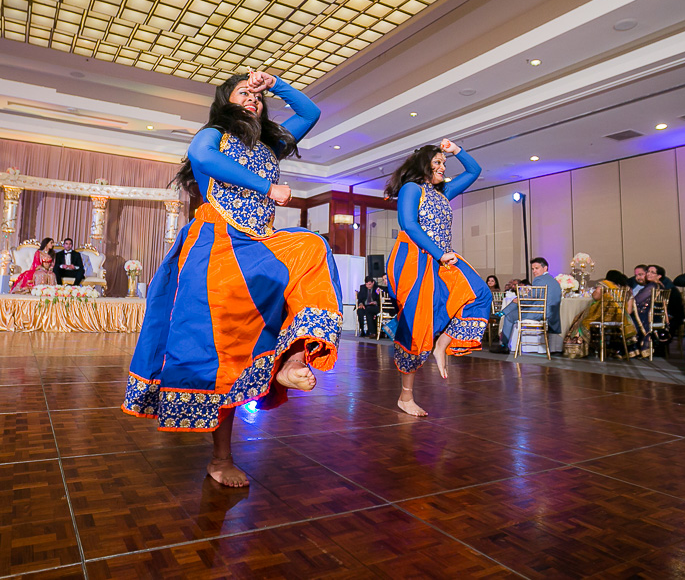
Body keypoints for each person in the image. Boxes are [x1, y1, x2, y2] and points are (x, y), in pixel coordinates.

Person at [122, 70, 342, 488]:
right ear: (225, 102)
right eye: (243, 92)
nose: (252, 98)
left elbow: (310, 111)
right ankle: (220, 458)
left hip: (260, 244)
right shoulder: (214, 133)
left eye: (256, 95)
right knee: (222, 356)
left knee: (312, 246)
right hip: (218, 247)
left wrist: (274, 83)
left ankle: (293, 359)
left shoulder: (270, 141)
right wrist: (267, 184)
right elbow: (204, 160)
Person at [384, 138, 490, 417]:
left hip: (441, 257)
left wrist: (456, 150)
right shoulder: (411, 188)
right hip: (415, 259)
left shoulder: (443, 193)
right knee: (418, 325)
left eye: (444, 163)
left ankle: (442, 344)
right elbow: (408, 224)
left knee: (480, 292)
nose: (443, 167)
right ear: (424, 165)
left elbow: (474, 170)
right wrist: (437, 253)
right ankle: (405, 397)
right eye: (438, 162)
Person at [563, 270, 636, 358]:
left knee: (581, 320)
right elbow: (629, 310)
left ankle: (579, 349)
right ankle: (615, 350)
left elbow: (596, 296)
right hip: (621, 319)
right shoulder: (627, 289)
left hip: (603, 317)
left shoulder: (604, 284)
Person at [500, 257, 562, 351]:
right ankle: (500, 313)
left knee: (509, 316)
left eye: (536, 268)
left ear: (545, 268)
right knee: (517, 303)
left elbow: (531, 297)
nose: (534, 271)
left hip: (539, 313)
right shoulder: (554, 281)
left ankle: (504, 346)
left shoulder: (538, 280)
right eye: (533, 269)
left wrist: (520, 299)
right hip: (552, 315)